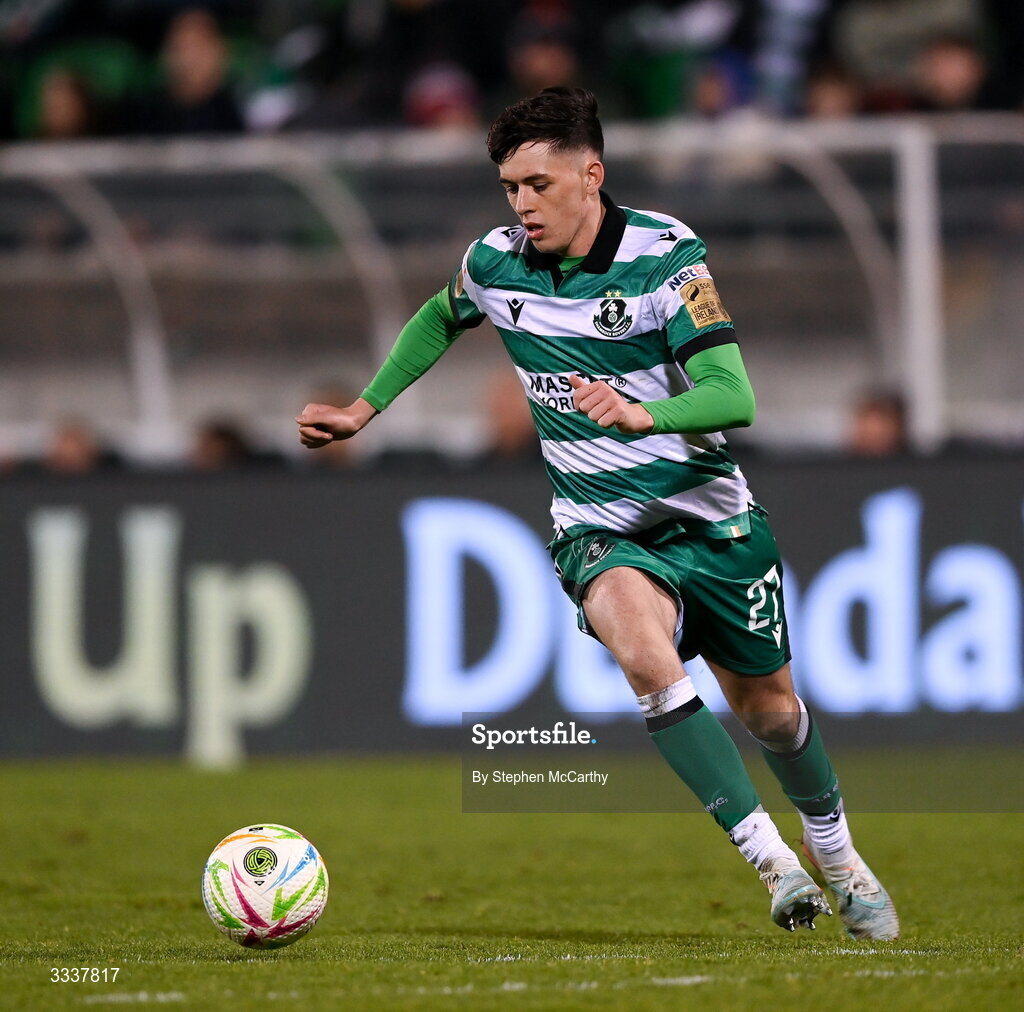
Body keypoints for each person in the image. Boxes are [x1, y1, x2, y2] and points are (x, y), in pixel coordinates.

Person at [296, 87, 899, 939]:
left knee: (771, 712)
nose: (521, 204)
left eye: (537, 184)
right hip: (597, 526)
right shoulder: (495, 263)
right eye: (509, 186)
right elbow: (441, 314)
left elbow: (736, 395)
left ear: (592, 174)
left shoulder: (667, 256)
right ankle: (772, 861)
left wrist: (640, 411)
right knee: (645, 657)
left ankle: (837, 854)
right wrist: (365, 408)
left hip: (709, 516)